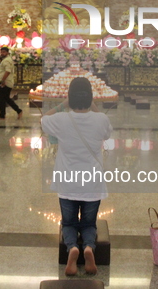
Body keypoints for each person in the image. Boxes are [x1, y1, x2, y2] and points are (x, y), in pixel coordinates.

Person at [42, 77, 112, 276]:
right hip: (92, 182)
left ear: (70, 97)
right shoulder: (101, 119)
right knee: (89, 223)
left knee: (69, 222)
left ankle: (72, 247)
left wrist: (63, 105)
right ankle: (89, 248)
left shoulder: (62, 119)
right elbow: (107, 133)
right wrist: (93, 106)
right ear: (90, 97)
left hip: (67, 182)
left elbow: (44, 118)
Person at [0, 47, 22, 121]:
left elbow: (7, 71)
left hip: (5, 83)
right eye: (1, 52)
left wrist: (3, 81)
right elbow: (1, 71)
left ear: (8, 53)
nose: (2, 53)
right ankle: (18, 111)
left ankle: (2, 116)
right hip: (5, 82)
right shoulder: (6, 60)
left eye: (4, 52)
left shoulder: (7, 61)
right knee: (5, 98)